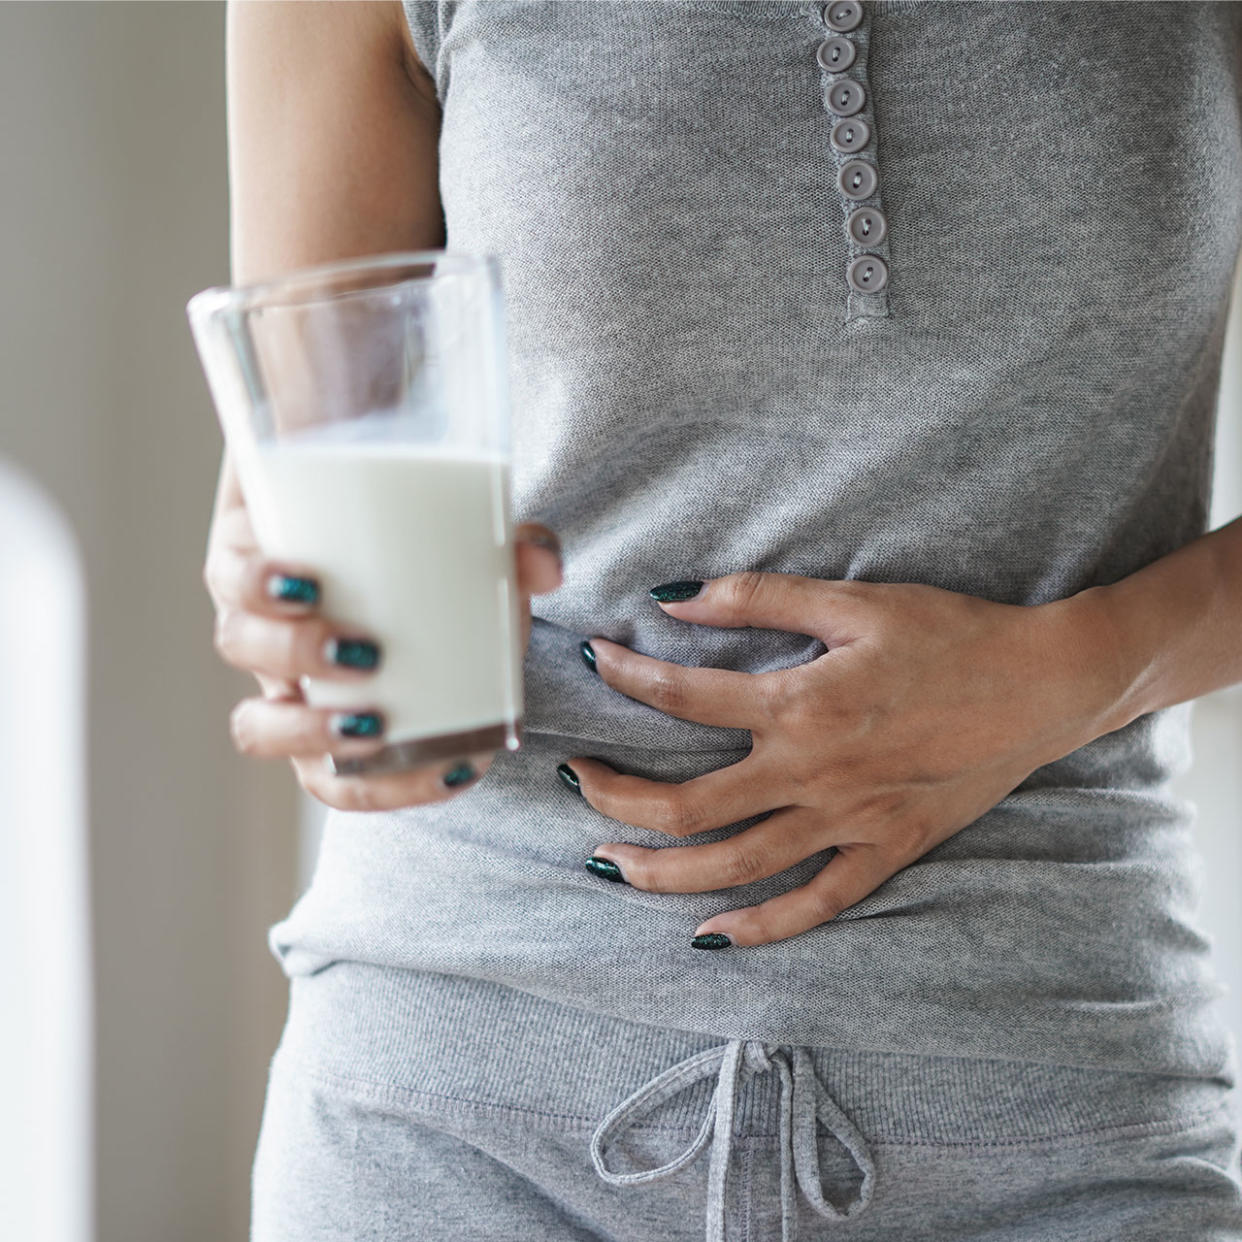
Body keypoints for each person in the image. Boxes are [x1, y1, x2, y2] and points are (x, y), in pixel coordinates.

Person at [205, 1, 1242, 1238]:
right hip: (457, 1107)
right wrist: (327, 649)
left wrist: (1086, 666)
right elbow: (308, 462)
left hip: (1059, 1098)